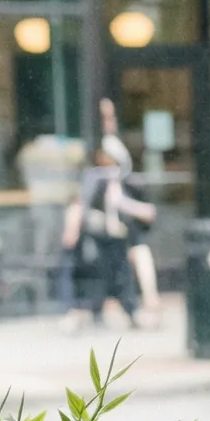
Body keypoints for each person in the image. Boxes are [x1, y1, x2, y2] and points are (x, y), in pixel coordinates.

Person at [61, 139, 154, 331]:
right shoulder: (94, 177)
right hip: (98, 234)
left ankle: (130, 310)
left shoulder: (126, 180)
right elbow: (83, 203)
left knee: (122, 274)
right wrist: (75, 227)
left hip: (119, 235)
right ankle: (94, 312)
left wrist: (123, 205)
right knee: (98, 274)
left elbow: (146, 211)